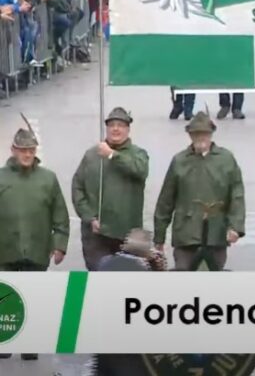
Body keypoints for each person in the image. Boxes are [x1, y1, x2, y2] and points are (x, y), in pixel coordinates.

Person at [0, 120, 69, 362]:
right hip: (4, 248)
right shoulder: (1, 177)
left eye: (31, 150)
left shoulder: (48, 179)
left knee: (33, 294)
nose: (27, 154)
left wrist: (59, 244)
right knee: (5, 296)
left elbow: (60, 213)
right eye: (23, 150)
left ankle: (30, 343)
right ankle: (6, 341)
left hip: (38, 247)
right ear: (13, 150)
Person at [154, 110, 246, 271]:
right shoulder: (179, 161)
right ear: (189, 135)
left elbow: (236, 195)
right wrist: (159, 238)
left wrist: (235, 227)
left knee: (213, 276)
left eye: (204, 133)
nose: (200, 137)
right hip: (186, 234)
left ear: (211, 134)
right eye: (196, 134)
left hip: (216, 234)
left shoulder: (226, 159)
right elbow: (165, 201)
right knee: (183, 273)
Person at [71, 107, 149, 270]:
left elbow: (140, 171)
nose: (115, 129)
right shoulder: (92, 155)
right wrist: (89, 216)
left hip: (127, 234)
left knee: (126, 277)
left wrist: (113, 155)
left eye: (120, 125)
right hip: (96, 233)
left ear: (128, 129)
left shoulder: (138, 154)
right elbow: (78, 188)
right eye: (111, 125)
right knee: (99, 275)